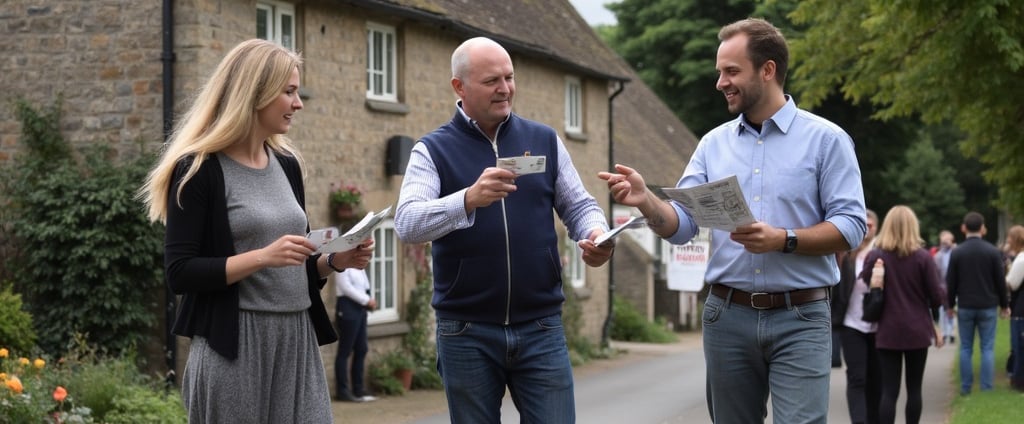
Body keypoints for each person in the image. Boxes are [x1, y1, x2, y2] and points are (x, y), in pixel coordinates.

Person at [599, 18, 866, 423]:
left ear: (768, 70)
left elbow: (851, 226)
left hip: (801, 316)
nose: (721, 82)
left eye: (731, 71)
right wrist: (647, 201)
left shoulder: (826, 140)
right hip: (727, 316)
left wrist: (784, 239)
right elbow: (684, 225)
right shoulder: (712, 144)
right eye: (719, 72)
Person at [138, 39, 373, 423]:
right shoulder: (198, 170)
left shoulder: (288, 164)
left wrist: (332, 261)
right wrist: (263, 256)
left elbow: (296, 263)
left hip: (297, 340)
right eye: (289, 92)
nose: (299, 103)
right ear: (255, 92)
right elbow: (180, 273)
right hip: (235, 345)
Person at [393, 36, 614, 423]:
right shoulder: (431, 150)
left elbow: (580, 206)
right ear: (458, 87)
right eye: (492, 80)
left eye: (509, 77)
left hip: (541, 326)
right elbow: (407, 222)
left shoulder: (544, 140)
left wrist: (597, 234)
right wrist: (467, 199)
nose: (505, 88)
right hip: (466, 331)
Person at [859, 206, 947, 424]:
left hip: (888, 330)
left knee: (889, 391)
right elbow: (936, 298)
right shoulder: (923, 258)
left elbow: (864, 279)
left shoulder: (877, 255)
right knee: (914, 389)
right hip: (917, 330)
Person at [946, 211, 1010, 395]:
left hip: (965, 305)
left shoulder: (957, 252)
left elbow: (951, 282)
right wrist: (1004, 305)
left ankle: (966, 388)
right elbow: (1000, 281)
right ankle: (986, 387)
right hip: (988, 305)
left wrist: (950, 305)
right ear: (982, 228)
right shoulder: (992, 252)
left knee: (966, 347)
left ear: (963, 228)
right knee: (987, 347)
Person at [832, 209, 881, 424]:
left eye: (872, 225)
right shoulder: (845, 254)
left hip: (880, 325)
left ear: (877, 228)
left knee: (876, 379)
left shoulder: (882, 253)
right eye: (865, 225)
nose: (868, 229)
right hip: (851, 324)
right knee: (856, 378)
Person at [334, 267, 377, 402]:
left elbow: (364, 283)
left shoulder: (357, 262)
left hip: (360, 308)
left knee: (361, 348)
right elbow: (345, 287)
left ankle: (358, 389)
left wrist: (370, 298)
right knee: (345, 351)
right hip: (347, 307)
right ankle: (343, 391)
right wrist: (366, 300)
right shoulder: (342, 261)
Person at [1003, 225, 1024, 387]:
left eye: (1009, 238)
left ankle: (1018, 380)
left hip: (1020, 309)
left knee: (1019, 346)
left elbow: (1012, 283)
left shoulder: (1021, 259)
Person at [933, 230, 957, 343]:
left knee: (953, 309)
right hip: (942, 286)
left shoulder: (956, 253)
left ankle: (951, 332)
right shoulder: (937, 256)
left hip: (955, 286)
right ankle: (943, 332)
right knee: (942, 310)